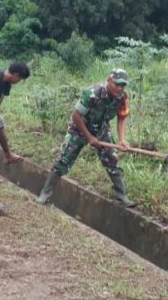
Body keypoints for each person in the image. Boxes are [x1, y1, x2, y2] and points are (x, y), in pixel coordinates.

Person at [36, 69, 136, 207]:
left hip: (101, 130)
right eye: (116, 84)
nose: (119, 88)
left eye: (123, 85)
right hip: (79, 129)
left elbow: (122, 117)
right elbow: (76, 116)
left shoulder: (123, 97)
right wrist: (89, 137)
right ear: (109, 80)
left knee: (112, 160)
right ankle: (44, 194)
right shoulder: (93, 93)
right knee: (64, 159)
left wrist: (122, 139)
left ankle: (122, 196)